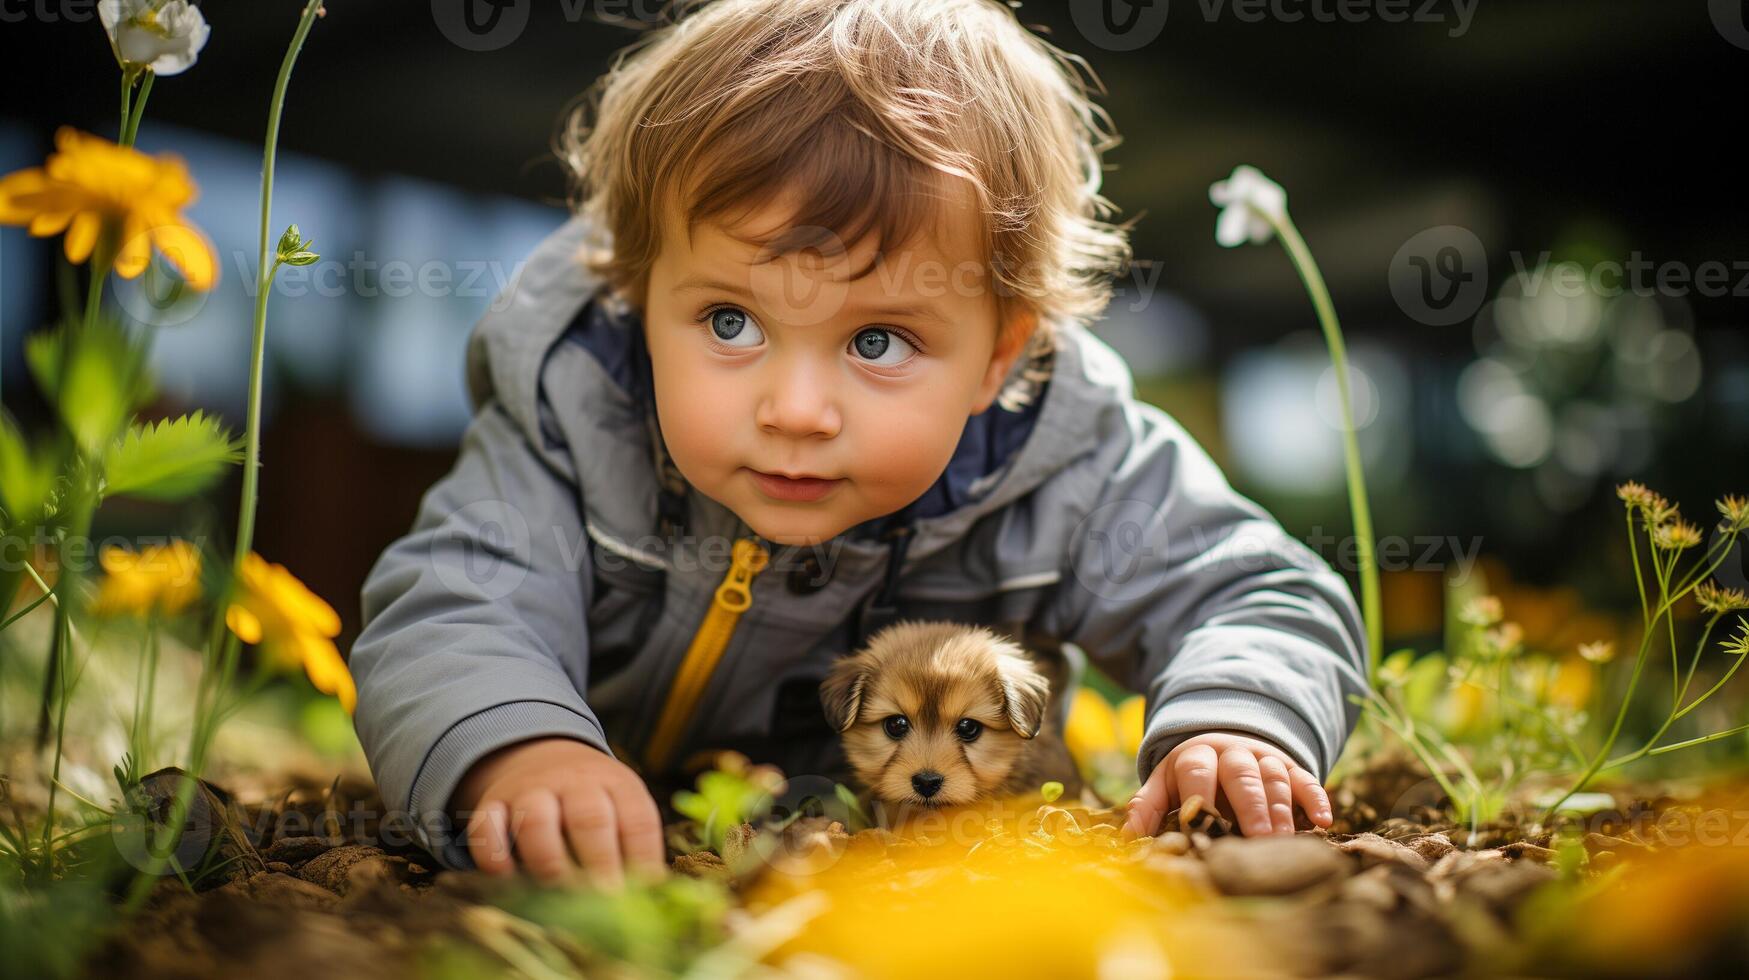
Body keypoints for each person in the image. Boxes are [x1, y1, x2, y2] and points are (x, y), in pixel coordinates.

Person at [349, 0, 1368, 887]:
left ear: (996, 359)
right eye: (730, 323)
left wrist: (1237, 717)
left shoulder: (1069, 465)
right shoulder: (571, 419)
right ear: (638, 296)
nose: (796, 408)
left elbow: (1257, 590)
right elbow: (454, 602)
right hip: (642, 853)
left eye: (877, 340)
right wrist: (517, 749)